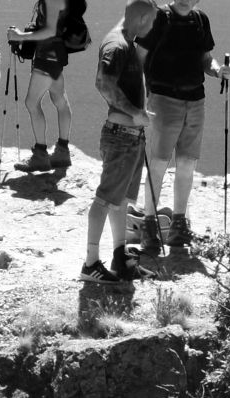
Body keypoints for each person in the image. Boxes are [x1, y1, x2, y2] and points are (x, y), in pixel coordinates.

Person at [76, 0, 158, 284]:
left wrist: (139, 115)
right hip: (121, 136)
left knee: (120, 200)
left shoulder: (127, 42)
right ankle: (90, 263)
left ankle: (120, 258)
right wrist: (135, 113)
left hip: (131, 136)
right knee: (104, 199)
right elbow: (103, 82)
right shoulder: (118, 44)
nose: (153, 26)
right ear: (143, 18)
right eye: (152, 21)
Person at [136, 0, 227, 252]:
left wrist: (220, 71)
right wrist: (138, 99)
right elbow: (138, 58)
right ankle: (149, 226)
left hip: (195, 101)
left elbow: (206, 59)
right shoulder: (158, 18)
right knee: (159, 163)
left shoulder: (200, 20)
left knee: (187, 163)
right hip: (163, 100)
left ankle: (179, 224)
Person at [5, 0, 79, 173]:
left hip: (47, 58)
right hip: (56, 56)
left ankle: (40, 155)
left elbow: (49, 31)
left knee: (32, 103)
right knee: (60, 101)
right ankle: (62, 151)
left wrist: (20, 36)